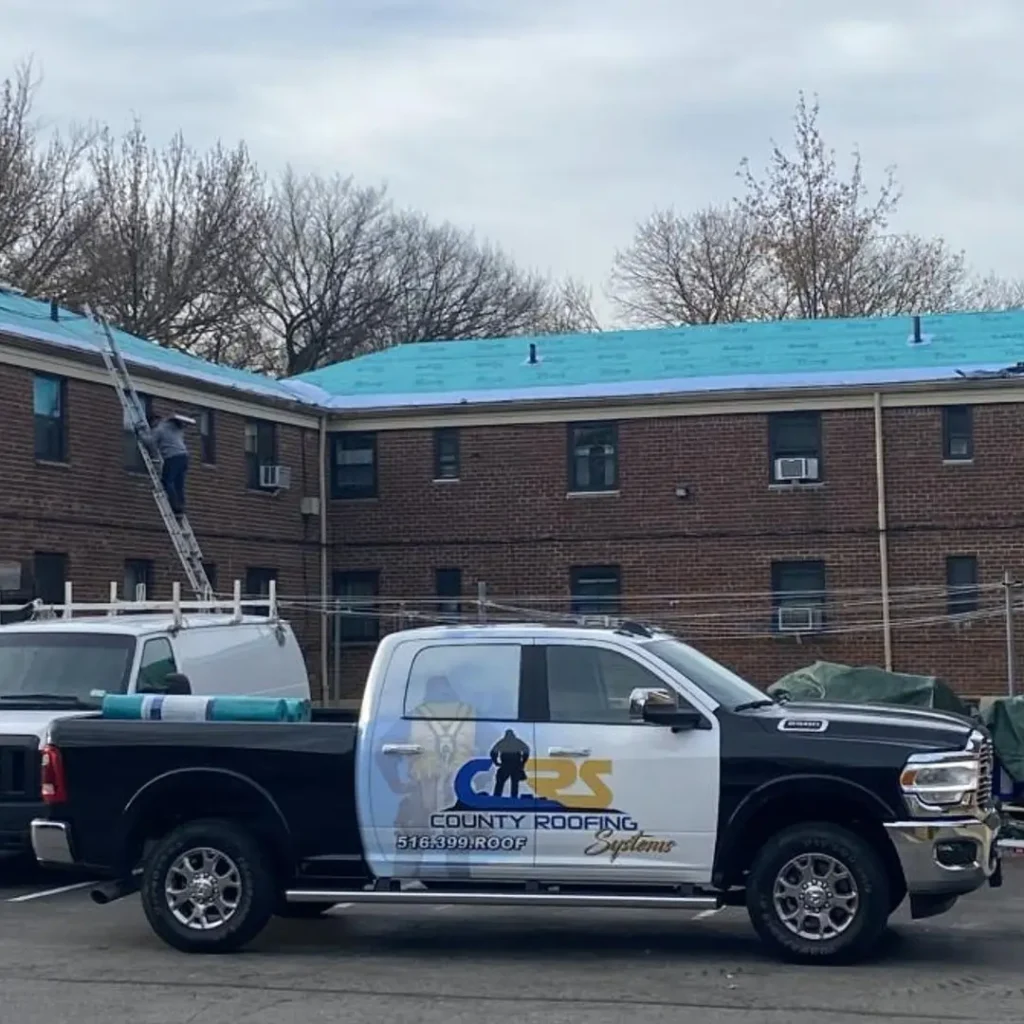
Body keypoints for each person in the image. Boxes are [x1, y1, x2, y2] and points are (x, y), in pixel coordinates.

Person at [137, 413, 194, 517]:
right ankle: (181, 508)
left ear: (154, 422)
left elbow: (149, 442)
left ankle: (175, 507)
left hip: (172, 457)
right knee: (179, 484)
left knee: (167, 481)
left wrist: (140, 432)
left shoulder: (159, 429)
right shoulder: (175, 427)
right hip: (184, 456)